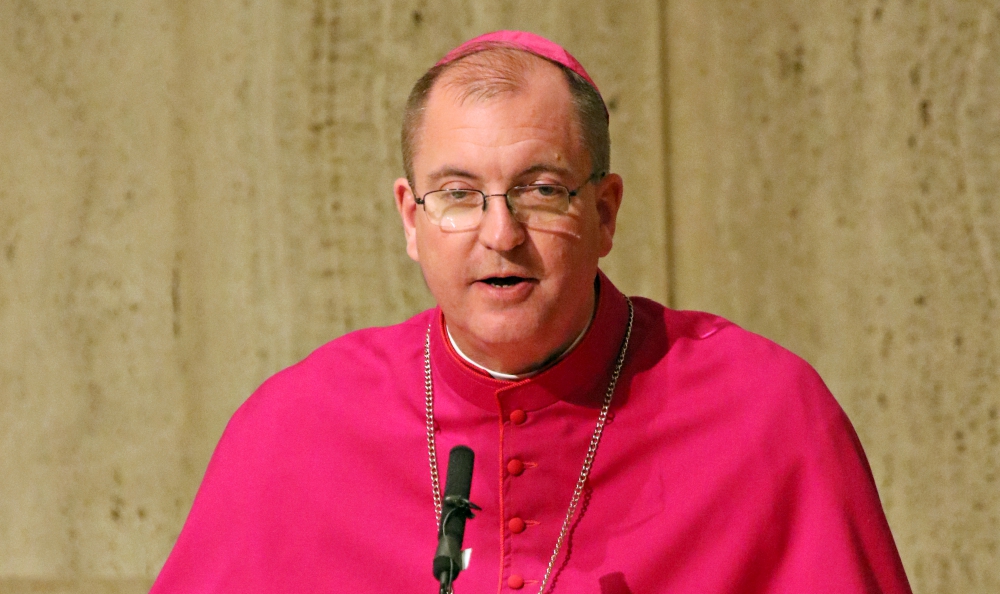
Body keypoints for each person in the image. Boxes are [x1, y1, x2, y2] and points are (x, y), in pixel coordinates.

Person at [150, 31, 912, 593]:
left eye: (542, 189)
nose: (500, 233)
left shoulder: (765, 415)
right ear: (410, 219)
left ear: (606, 213)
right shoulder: (295, 429)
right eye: (457, 195)